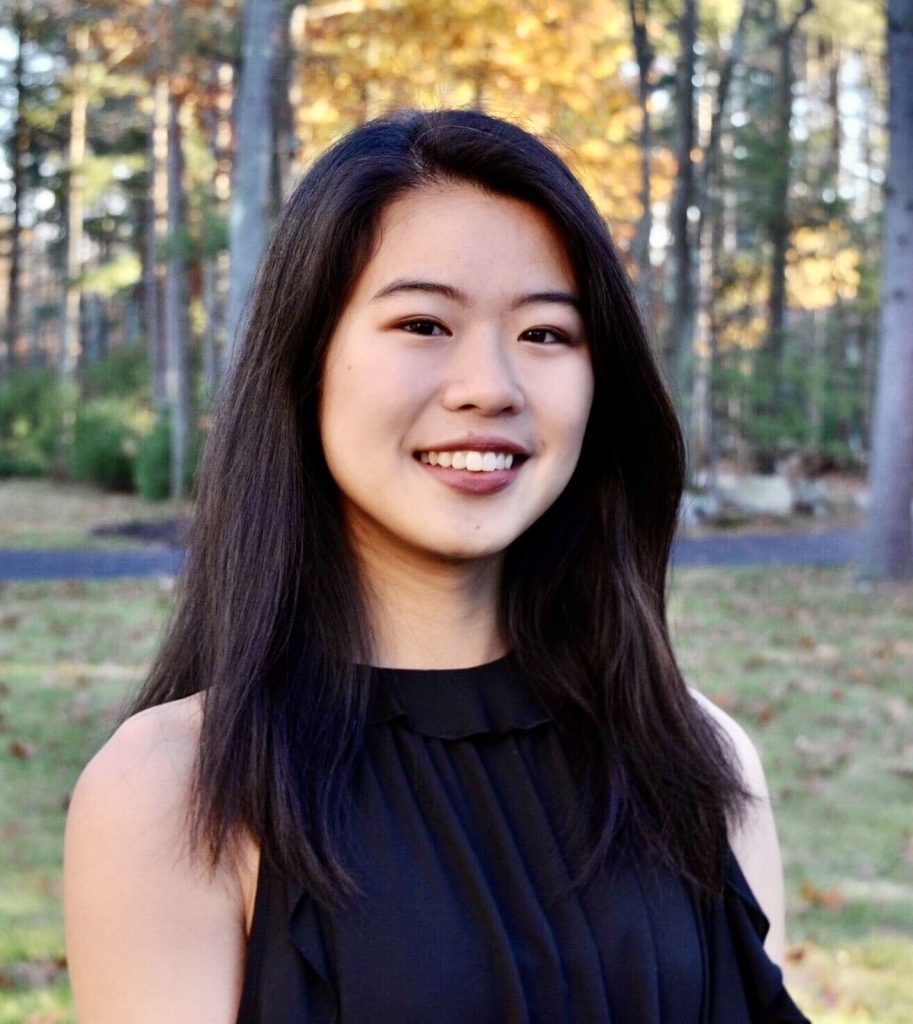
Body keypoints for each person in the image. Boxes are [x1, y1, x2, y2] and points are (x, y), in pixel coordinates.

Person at [64, 109, 809, 1023]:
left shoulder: (695, 757)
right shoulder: (174, 791)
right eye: (423, 323)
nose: (489, 386)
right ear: (308, 358)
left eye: (545, 334)